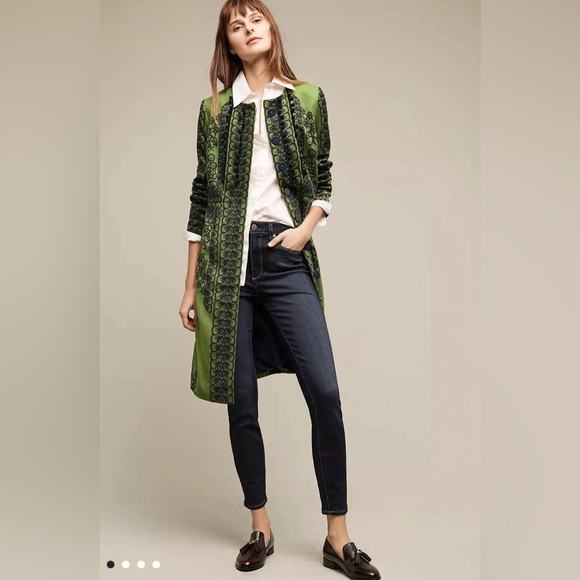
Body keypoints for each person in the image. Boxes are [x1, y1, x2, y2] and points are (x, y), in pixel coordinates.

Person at [179, 1, 381, 578]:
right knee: (241, 401)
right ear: (228, 43)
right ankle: (260, 527)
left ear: (271, 29)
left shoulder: (307, 98)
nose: (248, 29)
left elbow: (323, 175)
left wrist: (305, 230)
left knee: (326, 393)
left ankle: (338, 537)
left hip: (285, 256)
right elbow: (202, 195)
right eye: (236, 25)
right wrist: (189, 285)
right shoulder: (214, 110)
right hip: (225, 267)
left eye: (256, 19)